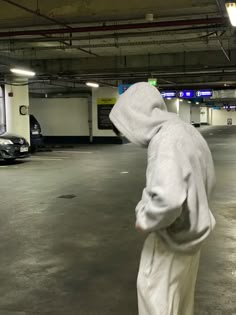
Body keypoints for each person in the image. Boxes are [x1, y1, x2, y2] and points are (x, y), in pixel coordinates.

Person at [109, 82, 216, 315]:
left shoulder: (165, 140)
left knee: (156, 302)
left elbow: (167, 200)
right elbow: (207, 178)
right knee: (180, 304)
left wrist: (145, 217)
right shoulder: (186, 131)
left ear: (135, 115)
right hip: (193, 237)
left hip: (172, 240)